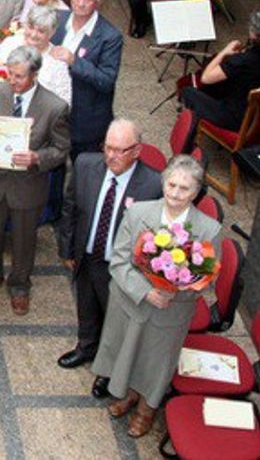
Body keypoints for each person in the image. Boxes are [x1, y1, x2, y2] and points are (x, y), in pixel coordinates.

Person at [91, 155, 220, 437]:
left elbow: (208, 279)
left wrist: (179, 286)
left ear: (196, 192)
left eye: (184, 188)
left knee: (157, 361)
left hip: (171, 310)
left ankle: (146, 410)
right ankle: (128, 394)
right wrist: (146, 291)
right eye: (171, 185)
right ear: (163, 183)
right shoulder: (138, 212)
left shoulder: (209, 230)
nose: (175, 193)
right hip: (132, 301)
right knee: (127, 351)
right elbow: (119, 262)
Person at [56, 120, 162, 393]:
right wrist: (67, 249)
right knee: (86, 305)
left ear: (136, 151)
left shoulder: (153, 184)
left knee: (115, 319)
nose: (112, 156)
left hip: (122, 267)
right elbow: (70, 208)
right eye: (108, 148)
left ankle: (108, 369)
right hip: (87, 254)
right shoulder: (85, 165)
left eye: (120, 151)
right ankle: (86, 347)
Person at [0, 46, 70, 316]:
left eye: (19, 76)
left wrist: (37, 157)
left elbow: (61, 149)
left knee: (24, 240)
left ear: (34, 75)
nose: (12, 81)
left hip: (28, 185)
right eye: (10, 74)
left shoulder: (55, 107)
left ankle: (19, 285)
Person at [50, 0, 123, 158]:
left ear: (98, 1)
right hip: (53, 111)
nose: (81, 3)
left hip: (85, 121)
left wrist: (74, 61)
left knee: (82, 168)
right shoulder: (57, 18)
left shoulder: (110, 36)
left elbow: (106, 81)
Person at [181, 10, 260, 148]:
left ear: (254, 34)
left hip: (235, 119)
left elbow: (206, 78)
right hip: (255, 118)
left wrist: (224, 51)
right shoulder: (245, 59)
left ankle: (188, 136)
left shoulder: (243, 61)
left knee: (188, 91)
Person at [0, 5, 72, 106]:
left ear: (51, 33)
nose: (33, 34)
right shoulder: (9, 43)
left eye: (41, 31)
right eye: (31, 27)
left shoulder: (57, 61)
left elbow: (64, 103)